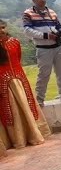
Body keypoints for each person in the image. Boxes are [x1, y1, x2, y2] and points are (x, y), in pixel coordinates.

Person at [0, 19, 52, 150]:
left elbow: (18, 59)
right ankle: (17, 139)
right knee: (11, 112)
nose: (2, 31)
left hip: (19, 79)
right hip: (4, 83)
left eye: (3, 27)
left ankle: (33, 135)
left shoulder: (15, 42)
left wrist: (17, 75)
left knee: (27, 106)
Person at [22, 0, 61, 107]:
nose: (43, 0)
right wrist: (46, 35)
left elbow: (60, 29)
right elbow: (27, 30)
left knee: (60, 73)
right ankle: (39, 99)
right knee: (44, 74)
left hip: (57, 47)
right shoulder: (28, 13)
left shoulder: (51, 12)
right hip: (43, 49)